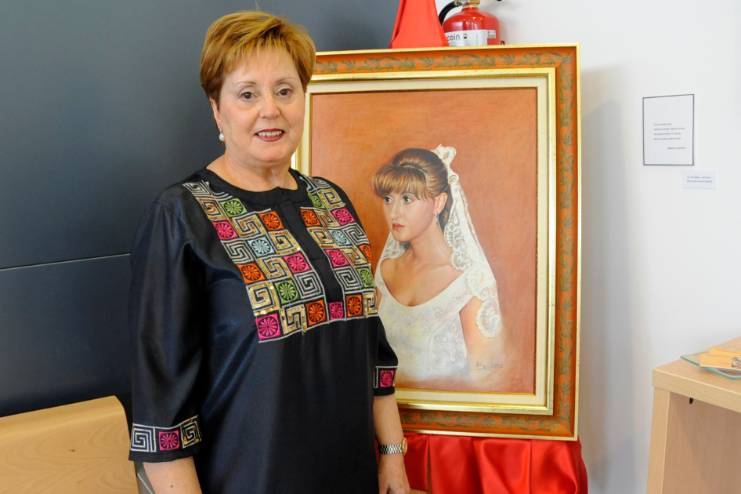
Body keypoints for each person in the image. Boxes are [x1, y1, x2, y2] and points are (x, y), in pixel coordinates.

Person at [128, 11, 409, 494]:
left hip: (352, 475)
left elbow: (374, 352)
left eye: (284, 90)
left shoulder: (333, 202)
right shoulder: (181, 216)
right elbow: (161, 411)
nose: (270, 110)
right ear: (217, 109)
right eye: (247, 94)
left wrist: (392, 458)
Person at [372, 146, 503, 389]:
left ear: (438, 202)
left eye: (407, 199)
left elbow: (488, 382)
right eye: (388, 199)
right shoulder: (386, 271)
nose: (394, 212)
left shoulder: (472, 283)